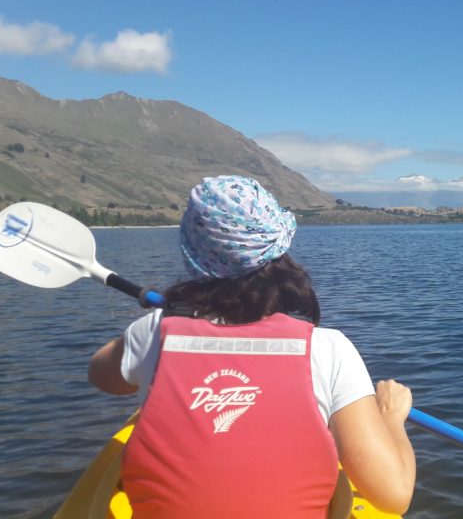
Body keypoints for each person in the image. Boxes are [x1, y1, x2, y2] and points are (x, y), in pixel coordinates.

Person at [88, 175, 416, 518]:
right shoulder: (330, 349)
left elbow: (101, 374)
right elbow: (394, 497)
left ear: (192, 253)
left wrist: (166, 313)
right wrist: (391, 418)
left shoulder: (153, 333)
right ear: (278, 247)